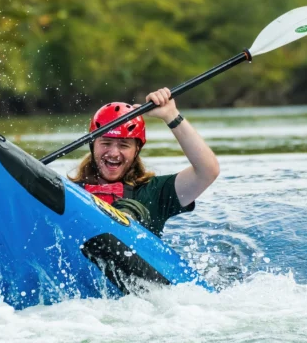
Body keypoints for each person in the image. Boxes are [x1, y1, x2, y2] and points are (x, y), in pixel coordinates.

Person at [68, 88, 220, 236]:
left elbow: (207, 171)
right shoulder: (70, 193)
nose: (114, 153)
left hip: (133, 254)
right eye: (106, 143)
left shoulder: (154, 192)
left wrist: (171, 115)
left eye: (124, 145)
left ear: (136, 150)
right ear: (93, 145)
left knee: (130, 209)